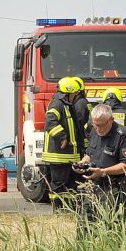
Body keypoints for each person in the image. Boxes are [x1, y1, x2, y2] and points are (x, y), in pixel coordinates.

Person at [73, 104, 126, 238]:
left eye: (101, 125)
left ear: (111, 120)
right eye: (95, 124)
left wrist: (103, 171)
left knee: (111, 226)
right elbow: (89, 153)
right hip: (92, 184)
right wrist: (82, 163)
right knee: (85, 224)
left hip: (113, 187)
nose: (97, 128)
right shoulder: (95, 130)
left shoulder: (122, 134)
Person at [42, 76, 87, 211]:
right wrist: (62, 137)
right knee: (59, 184)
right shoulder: (57, 104)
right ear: (69, 92)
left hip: (67, 154)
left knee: (70, 185)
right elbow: (50, 122)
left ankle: (68, 209)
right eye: (75, 93)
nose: (76, 96)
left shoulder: (66, 105)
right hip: (58, 155)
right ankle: (59, 210)